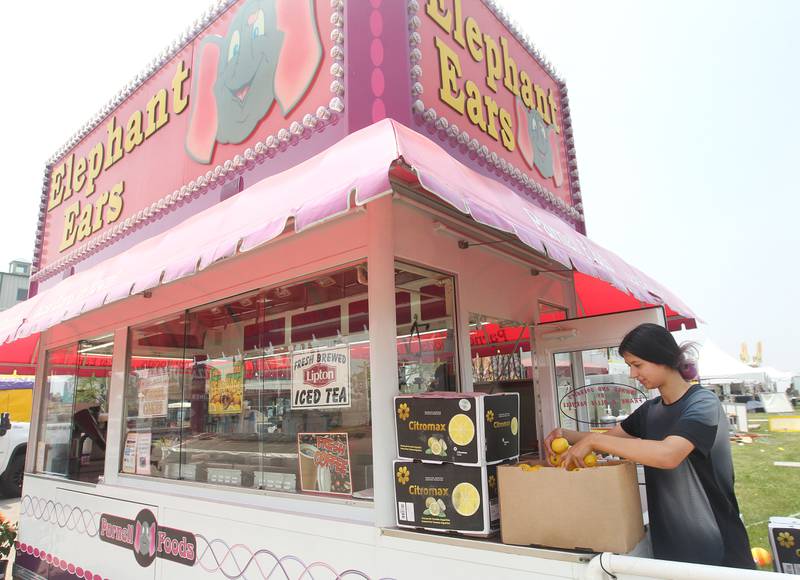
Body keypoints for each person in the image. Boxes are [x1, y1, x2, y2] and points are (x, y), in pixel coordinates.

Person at [544, 323, 754, 569]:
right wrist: (564, 434)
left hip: (717, 550)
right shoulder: (650, 412)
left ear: (662, 358)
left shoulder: (702, 403)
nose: (633, 375)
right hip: (669, 549)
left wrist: (594, 441)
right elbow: (607, 442)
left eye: (637, 365)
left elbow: (668, 455)